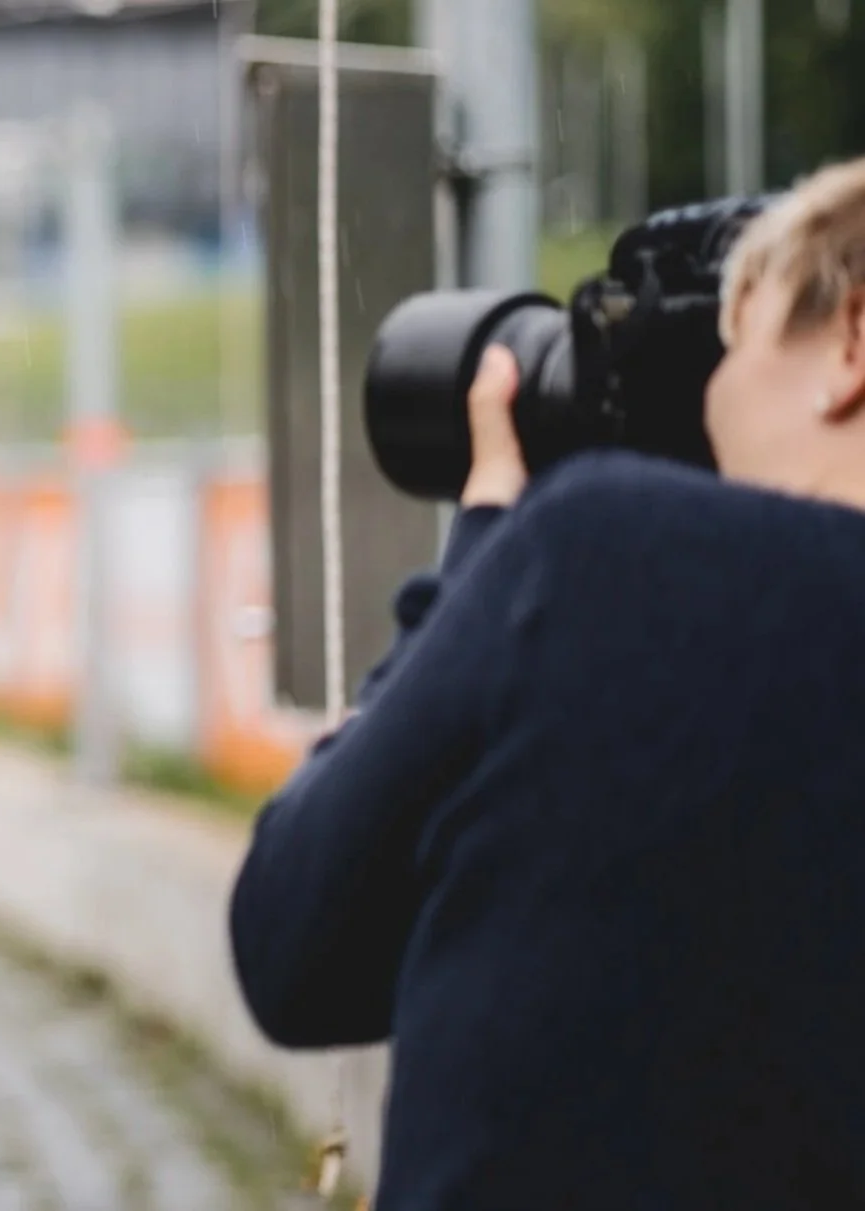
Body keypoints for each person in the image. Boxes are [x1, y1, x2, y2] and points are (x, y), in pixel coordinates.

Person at [229, 155, 865, 1209]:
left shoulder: (600, 554)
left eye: (736, 345)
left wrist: (486, 537)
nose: (708, 402)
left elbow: (290, 939)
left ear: (851, 341)